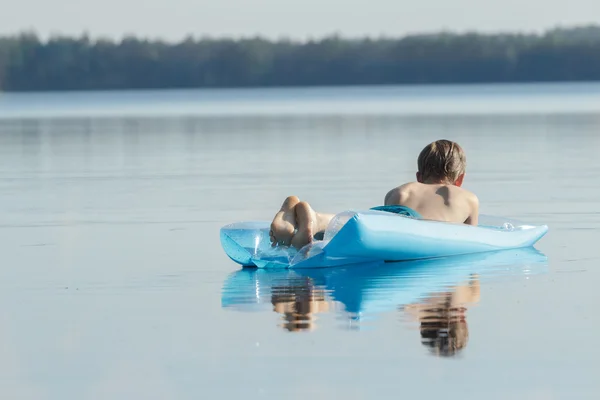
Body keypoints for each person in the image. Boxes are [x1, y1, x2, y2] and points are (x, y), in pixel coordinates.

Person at [269, 139, 479, 249]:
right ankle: (308, 224)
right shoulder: (467, 198)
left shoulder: (402, 191)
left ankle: (313, 219)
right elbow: (473, 240)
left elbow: (387, 221)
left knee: (348, 222)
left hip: (391, 215)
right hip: (416, 230)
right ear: (460, 179)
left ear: (418, 176)